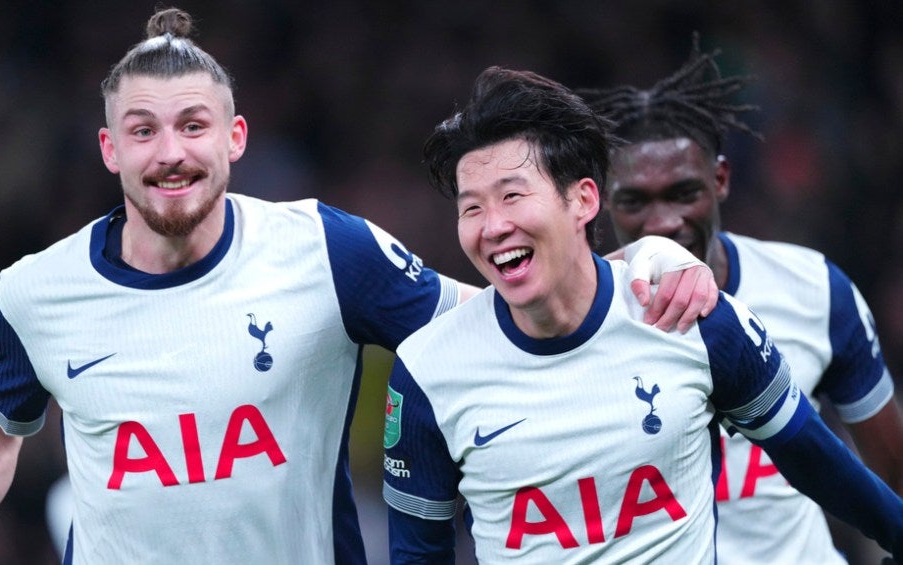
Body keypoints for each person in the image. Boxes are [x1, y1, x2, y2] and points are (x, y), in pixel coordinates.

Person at [0, 8, 716, 564]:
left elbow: (493, 317)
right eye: (143, 130)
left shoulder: (324, 249)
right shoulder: (36, 291)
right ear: (108, 148)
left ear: (235, 137)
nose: (171, 152)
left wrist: (637, 267)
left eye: (193, 125)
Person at [381, 65, 903, 564]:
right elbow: (417, 554)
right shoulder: (427, 371)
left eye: (512, 196)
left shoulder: (697, 318)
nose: (492, 226)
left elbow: (816, 459)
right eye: (471, 208)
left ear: (583, 200)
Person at [584, 38, 903, 564]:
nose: (663, 223)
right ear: (598, 202)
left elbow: (890, 468)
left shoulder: (815, 289)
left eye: (683, 192)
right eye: (635, 201)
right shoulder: (578, 320)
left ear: (721, 180)